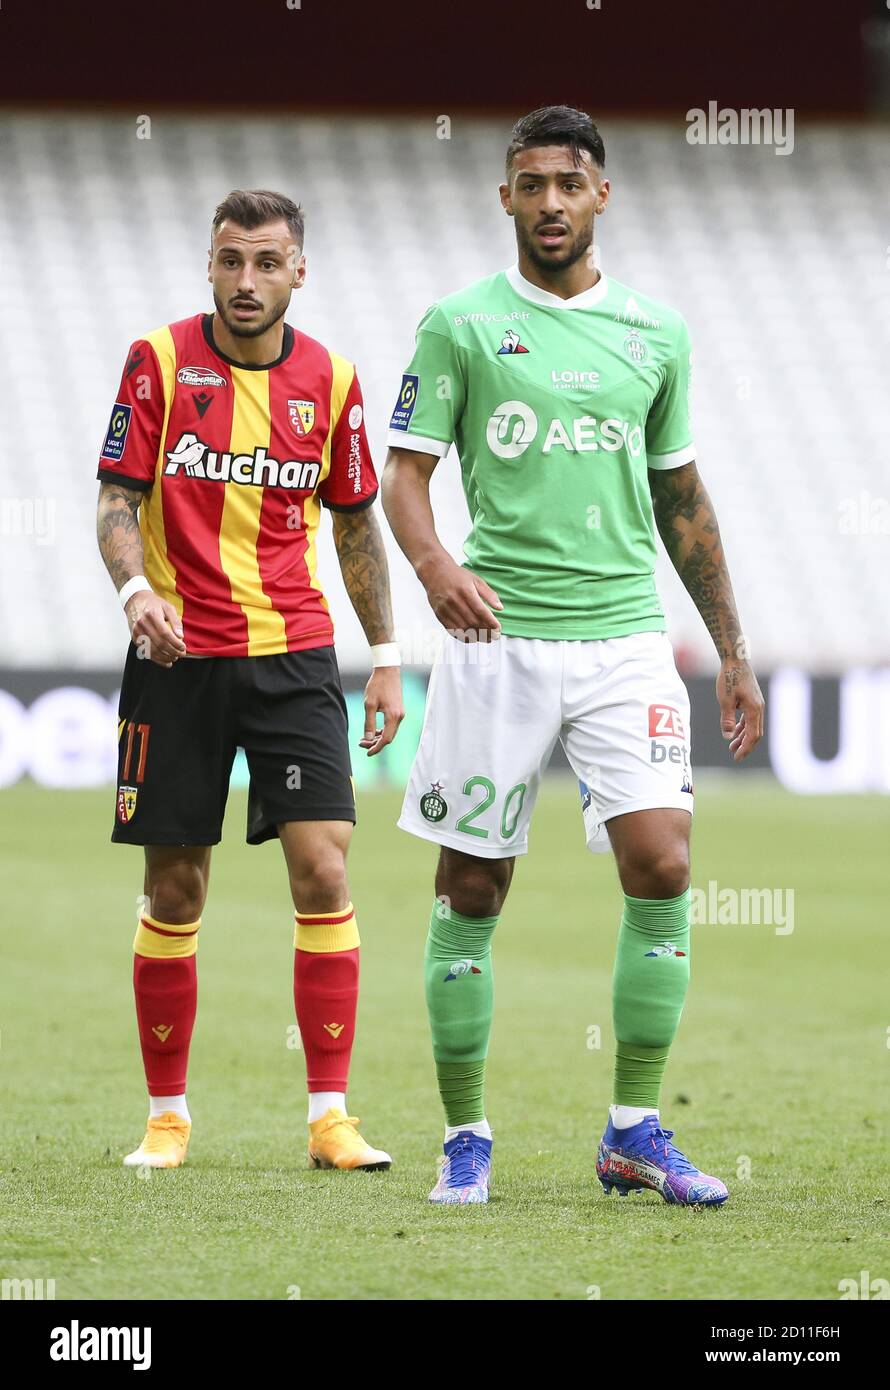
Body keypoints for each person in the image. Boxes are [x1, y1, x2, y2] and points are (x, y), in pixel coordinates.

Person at [382, 108, 764, 1205]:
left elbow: (680, 495)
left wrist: (730, 648)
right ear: (504, 197)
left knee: (664, 864)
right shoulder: (458, 324)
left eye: (569, 183)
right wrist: (434, 567)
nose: (549, 201)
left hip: (624, 640)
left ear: (602, 197)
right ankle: (466, 1136)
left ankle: (633, 1129)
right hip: (496, 640)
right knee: (471, 886)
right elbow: (402, 474)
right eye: (530, 183)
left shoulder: (655, 333)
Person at [96, 188, 403, 1172]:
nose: (244, 280)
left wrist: (387, 656)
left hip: (292, 656)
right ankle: (167, 1118)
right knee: (176, 888)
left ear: (297, 271)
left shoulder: (334, 379)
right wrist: (136, 588)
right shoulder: (157, 363)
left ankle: (329, 1119)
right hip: (175, 659)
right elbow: (116, 498)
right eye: (229, 259)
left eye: (266, 262)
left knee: (322, 867)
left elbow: (355, 523)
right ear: (210, 263)